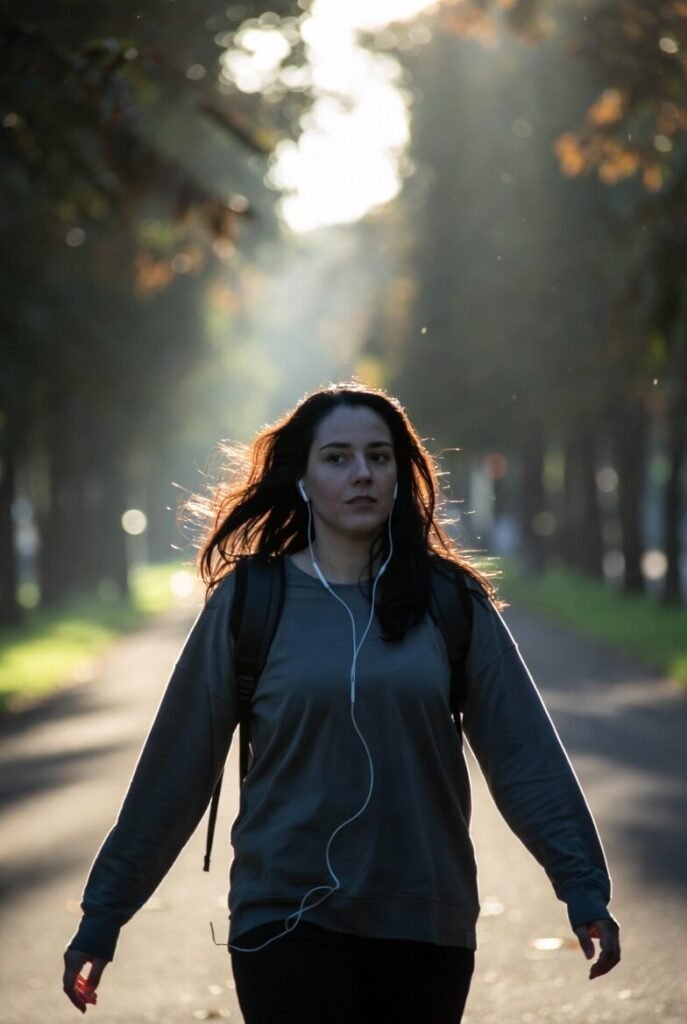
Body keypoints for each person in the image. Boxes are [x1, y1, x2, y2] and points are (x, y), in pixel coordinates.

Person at [63, 381, 620, 1022]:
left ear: (398, 474)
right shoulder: (249, 604)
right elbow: (175, 770)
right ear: (301, 476)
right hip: (282, 922)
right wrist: (104, 915)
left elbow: (526, 756)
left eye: (378, 457)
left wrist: (582, 888)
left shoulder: (451, 602)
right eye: (337, 458)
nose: (362, 474)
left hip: (423, 919)